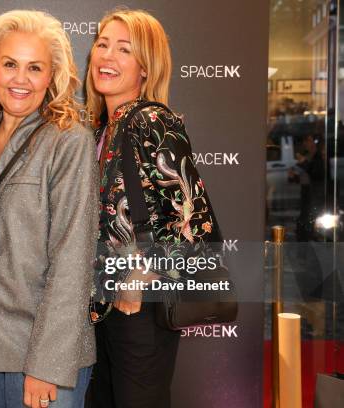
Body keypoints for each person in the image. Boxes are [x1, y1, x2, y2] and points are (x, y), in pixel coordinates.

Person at [0, 10, 99, 408]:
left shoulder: (68, 142)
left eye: (34, 68)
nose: (20, 79)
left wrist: (47, 365)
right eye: (10, 65)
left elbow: (73, 257)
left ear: (52, 76)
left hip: (39, 359)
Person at [86, 9, 223, 408]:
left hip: (140, 310)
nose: (107, 57)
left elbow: (193, 221)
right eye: (102, 45)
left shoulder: (150, 119)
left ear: (145, 68)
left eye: (123, 50)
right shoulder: (102, 129)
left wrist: (142, 276)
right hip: (102, 310)